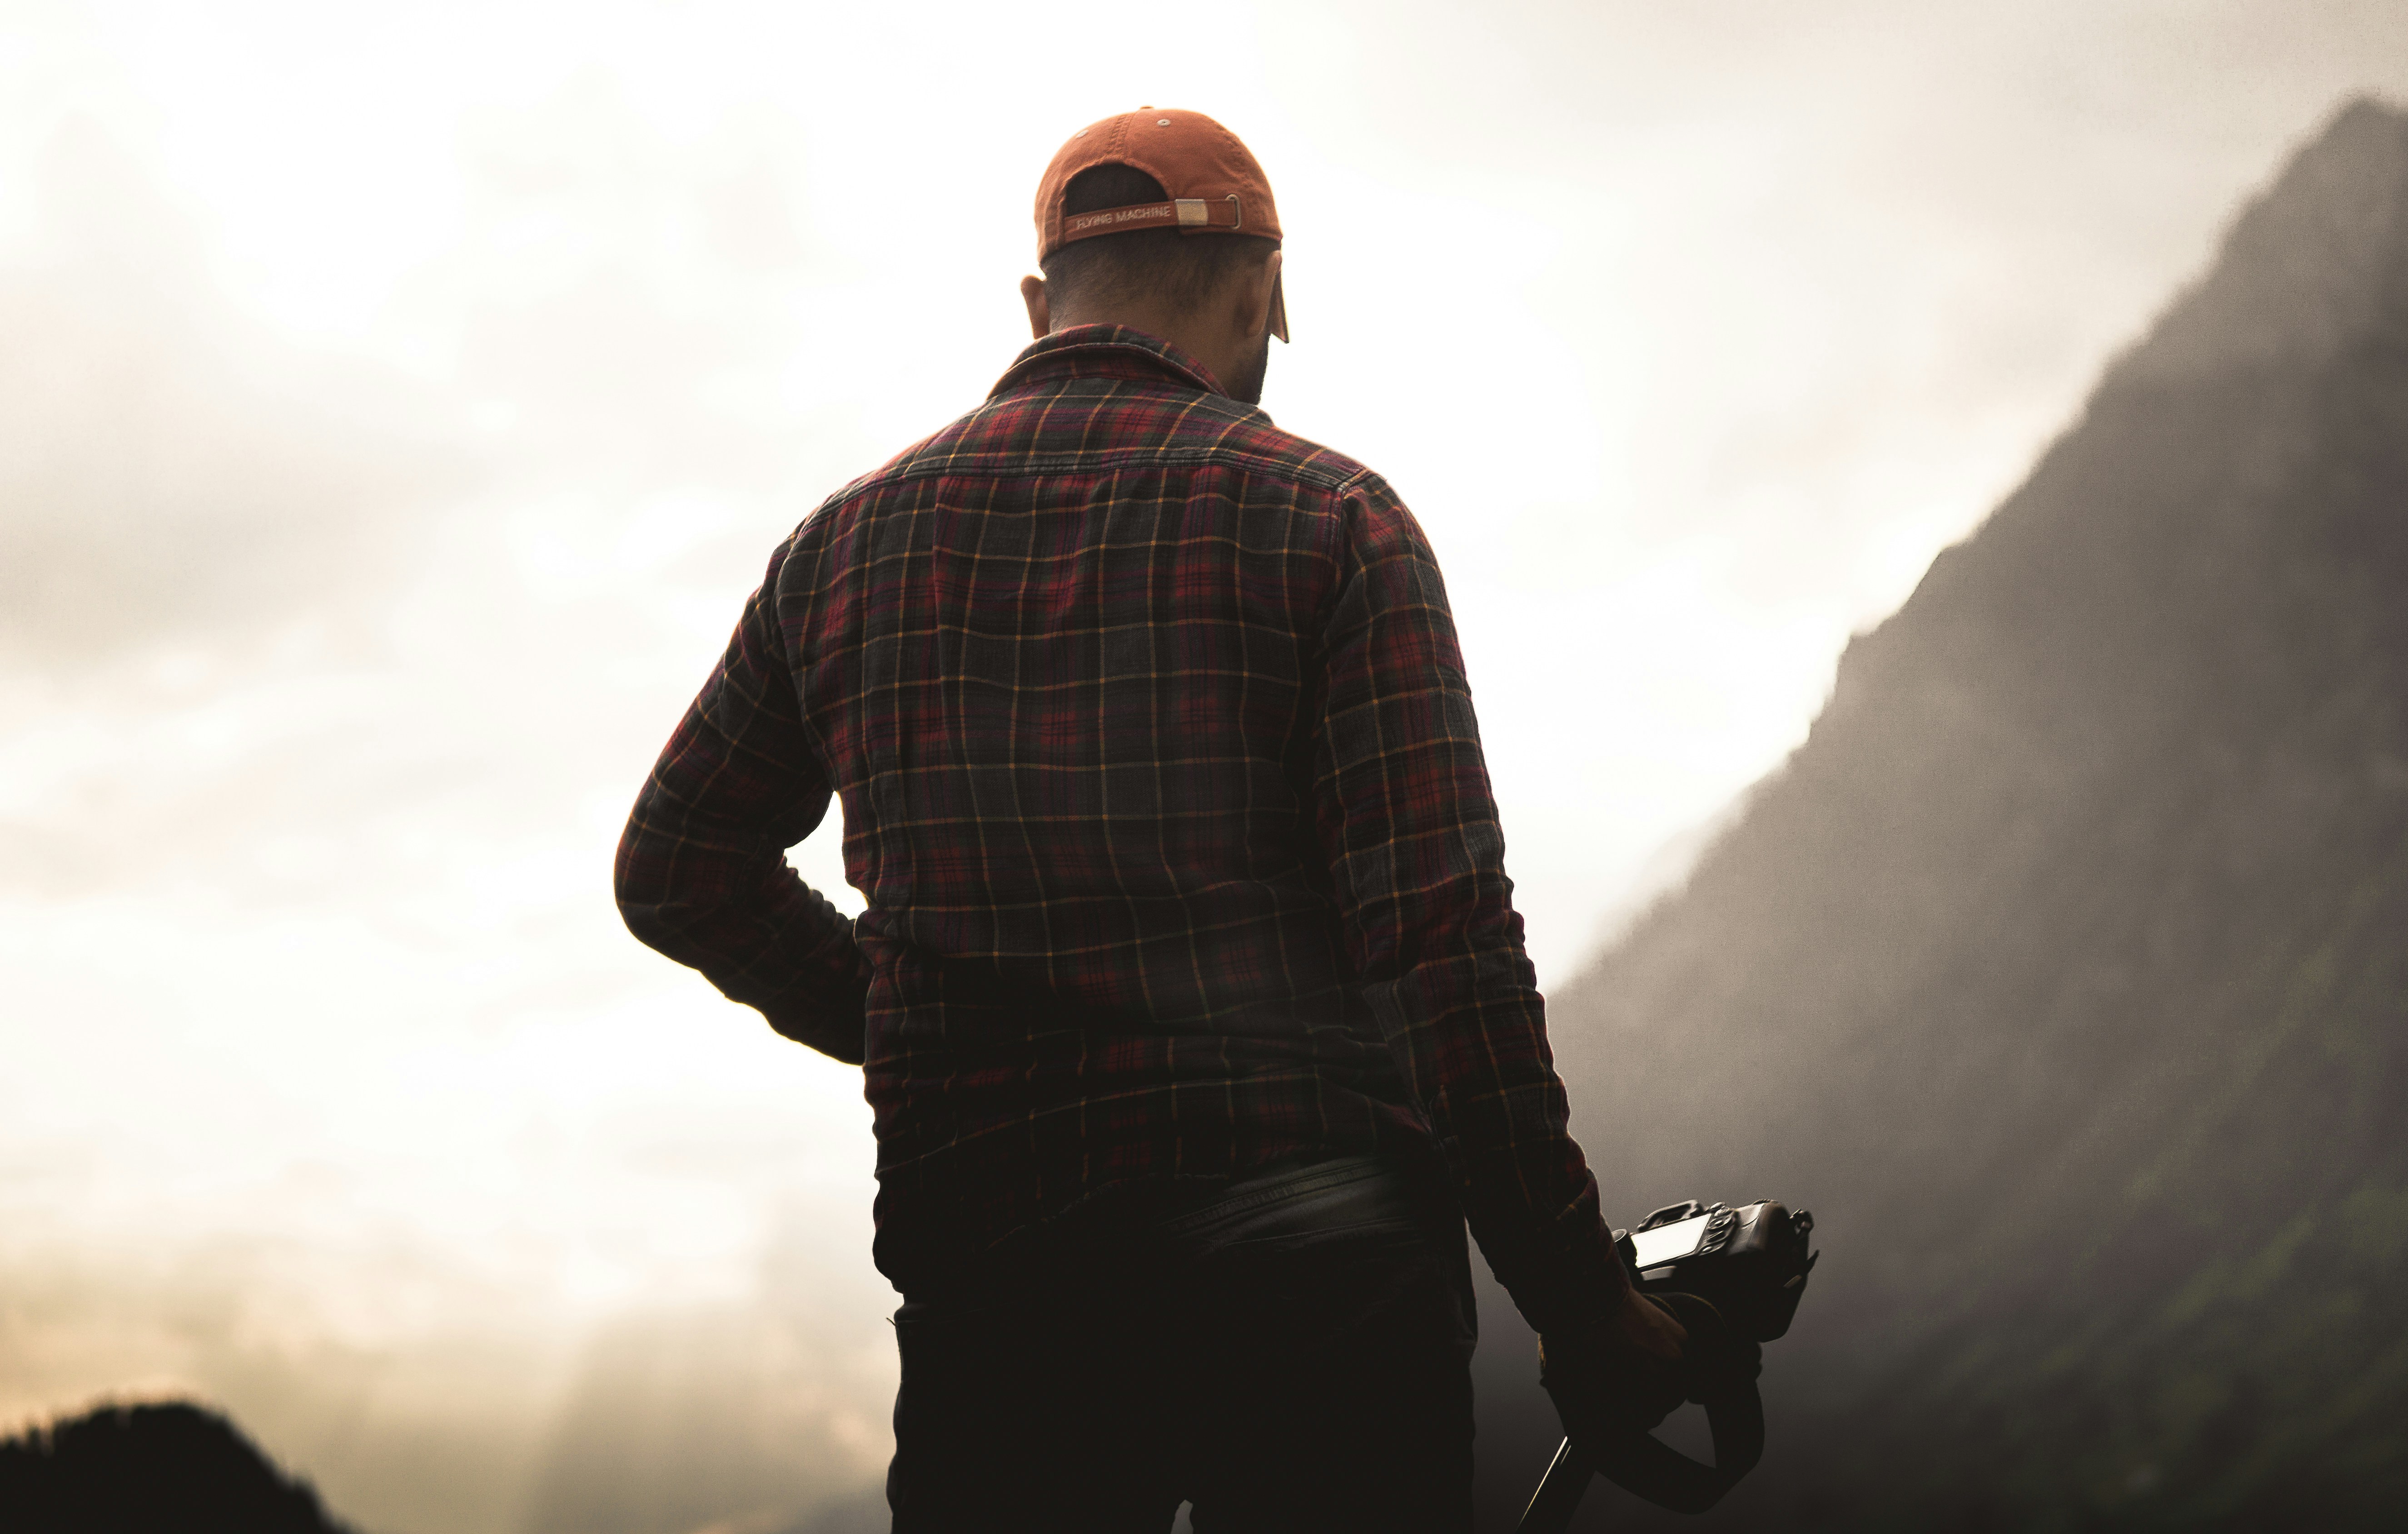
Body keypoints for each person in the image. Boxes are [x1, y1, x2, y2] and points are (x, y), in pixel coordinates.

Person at [613, 106, 1685, 1532]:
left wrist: (922, 1027)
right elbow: (1442, 946)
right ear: (1266, 292)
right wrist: (1581, 1302)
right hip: (1324, 1264)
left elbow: (678, 869)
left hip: (1002, 1279)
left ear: (1038, 302)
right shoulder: (1334, 520)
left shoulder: (841, 552)